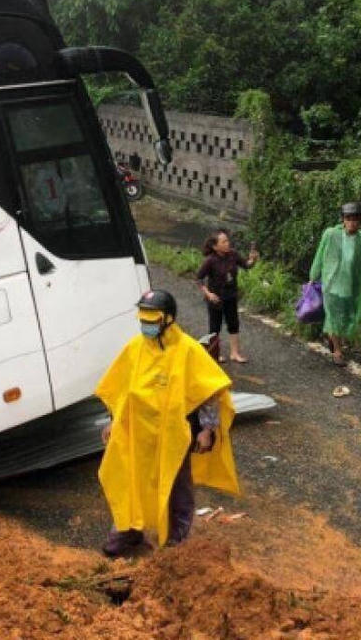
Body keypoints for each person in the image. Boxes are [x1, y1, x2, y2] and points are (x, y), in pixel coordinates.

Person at [96, 290, 240, 557]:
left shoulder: (187, 350)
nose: (146, 325)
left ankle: (177, 541)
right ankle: (128, 532)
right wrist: (113, 420)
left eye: (152, 319)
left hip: (173, 435)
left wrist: (207, 429)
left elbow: (208, 392)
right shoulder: (135, 348)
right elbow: (121, 389)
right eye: (143, 319)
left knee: (176, 486)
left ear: (168, 319)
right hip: (137, 434)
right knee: (129, 481)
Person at [309, 202, 361, 367]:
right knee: (334, 317)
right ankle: (337, 351)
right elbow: (320, 255)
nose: (352, 222)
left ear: (360, 221)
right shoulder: (331, 234)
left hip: (352, 288)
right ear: (343, 219)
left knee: (346, 319)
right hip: (331, 286)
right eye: (348, 218)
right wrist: (313, 275)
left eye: (355, 219)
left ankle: (333, 338)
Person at [195, 229, 258, 363]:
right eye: (224, 242)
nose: (227, 243)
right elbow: (199, 279)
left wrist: (253, 260)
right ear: (215, 246)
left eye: (227, 240)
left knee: (233, 324)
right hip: (216, 298)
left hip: (231, 295)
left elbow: (246, 265)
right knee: (215, 327)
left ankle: (234, 353)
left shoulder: (233, 254)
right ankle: (214, 354)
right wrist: (208, 293)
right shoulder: (210, 261)